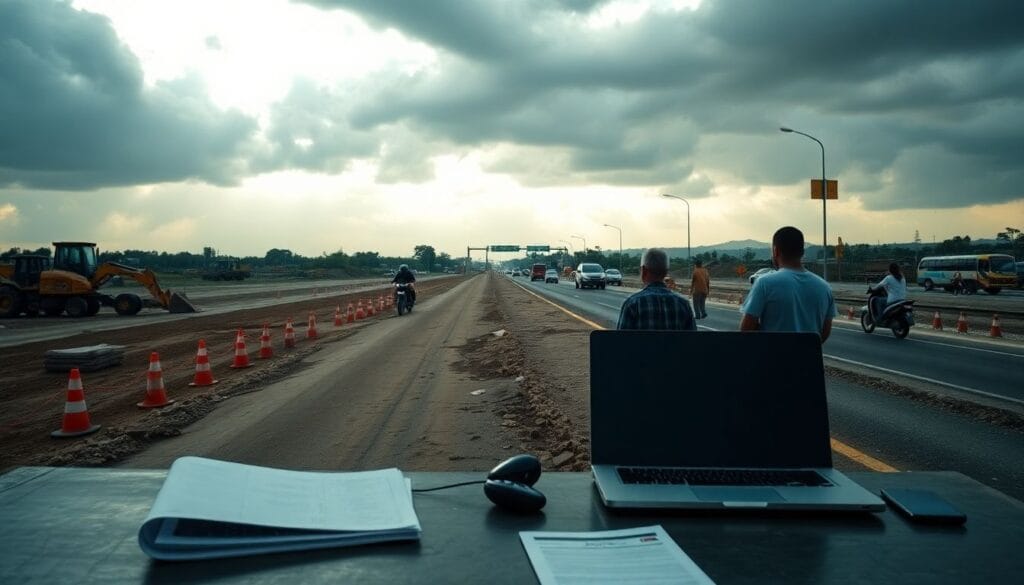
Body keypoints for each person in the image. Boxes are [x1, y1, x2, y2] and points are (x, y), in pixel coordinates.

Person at [739, 226, 835, 343]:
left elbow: (745, 330)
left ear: (776, 251)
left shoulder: (764, 283)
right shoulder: (825, 287)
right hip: (809, 359)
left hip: (772, 359)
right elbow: (824, 333)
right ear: (802, 252)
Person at [616, 248, 697, 330]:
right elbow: (693, 341)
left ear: (644, 271)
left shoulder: (632, 304)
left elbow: (621, 341)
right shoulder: (683, 305)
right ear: (666, 272)